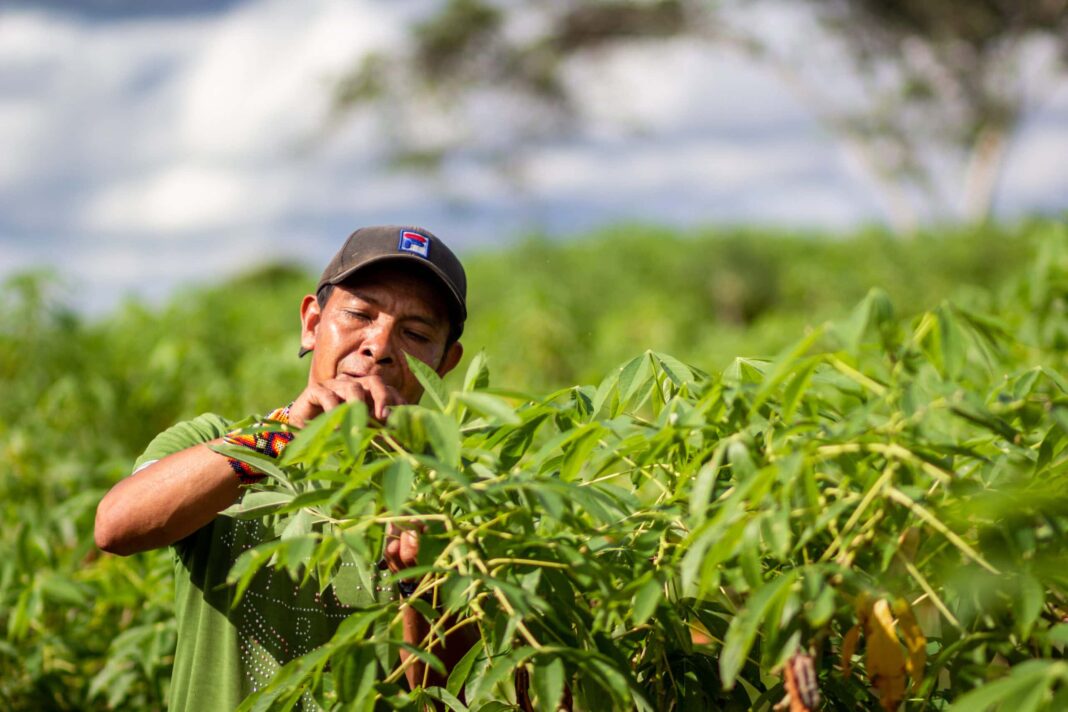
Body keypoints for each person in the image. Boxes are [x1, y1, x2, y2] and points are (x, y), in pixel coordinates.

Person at [94, 226, 475, 711]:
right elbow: (116, 527)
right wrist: (277, 437)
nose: (378, 346)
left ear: (444, 364)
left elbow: (448, 698)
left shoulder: (455, 494)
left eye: (417, 334)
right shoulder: (211, 441)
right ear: (312, 323)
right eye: (359, 314)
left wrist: (423, 582)